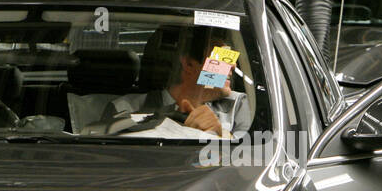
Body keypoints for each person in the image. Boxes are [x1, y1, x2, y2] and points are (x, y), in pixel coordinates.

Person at [69, 27, 251, 138]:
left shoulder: (239, 105)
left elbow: (254, 158)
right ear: (188, 64)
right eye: (222, 57)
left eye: (231, 57)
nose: (233, 66)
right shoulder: (124, 108)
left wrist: (221, 135)